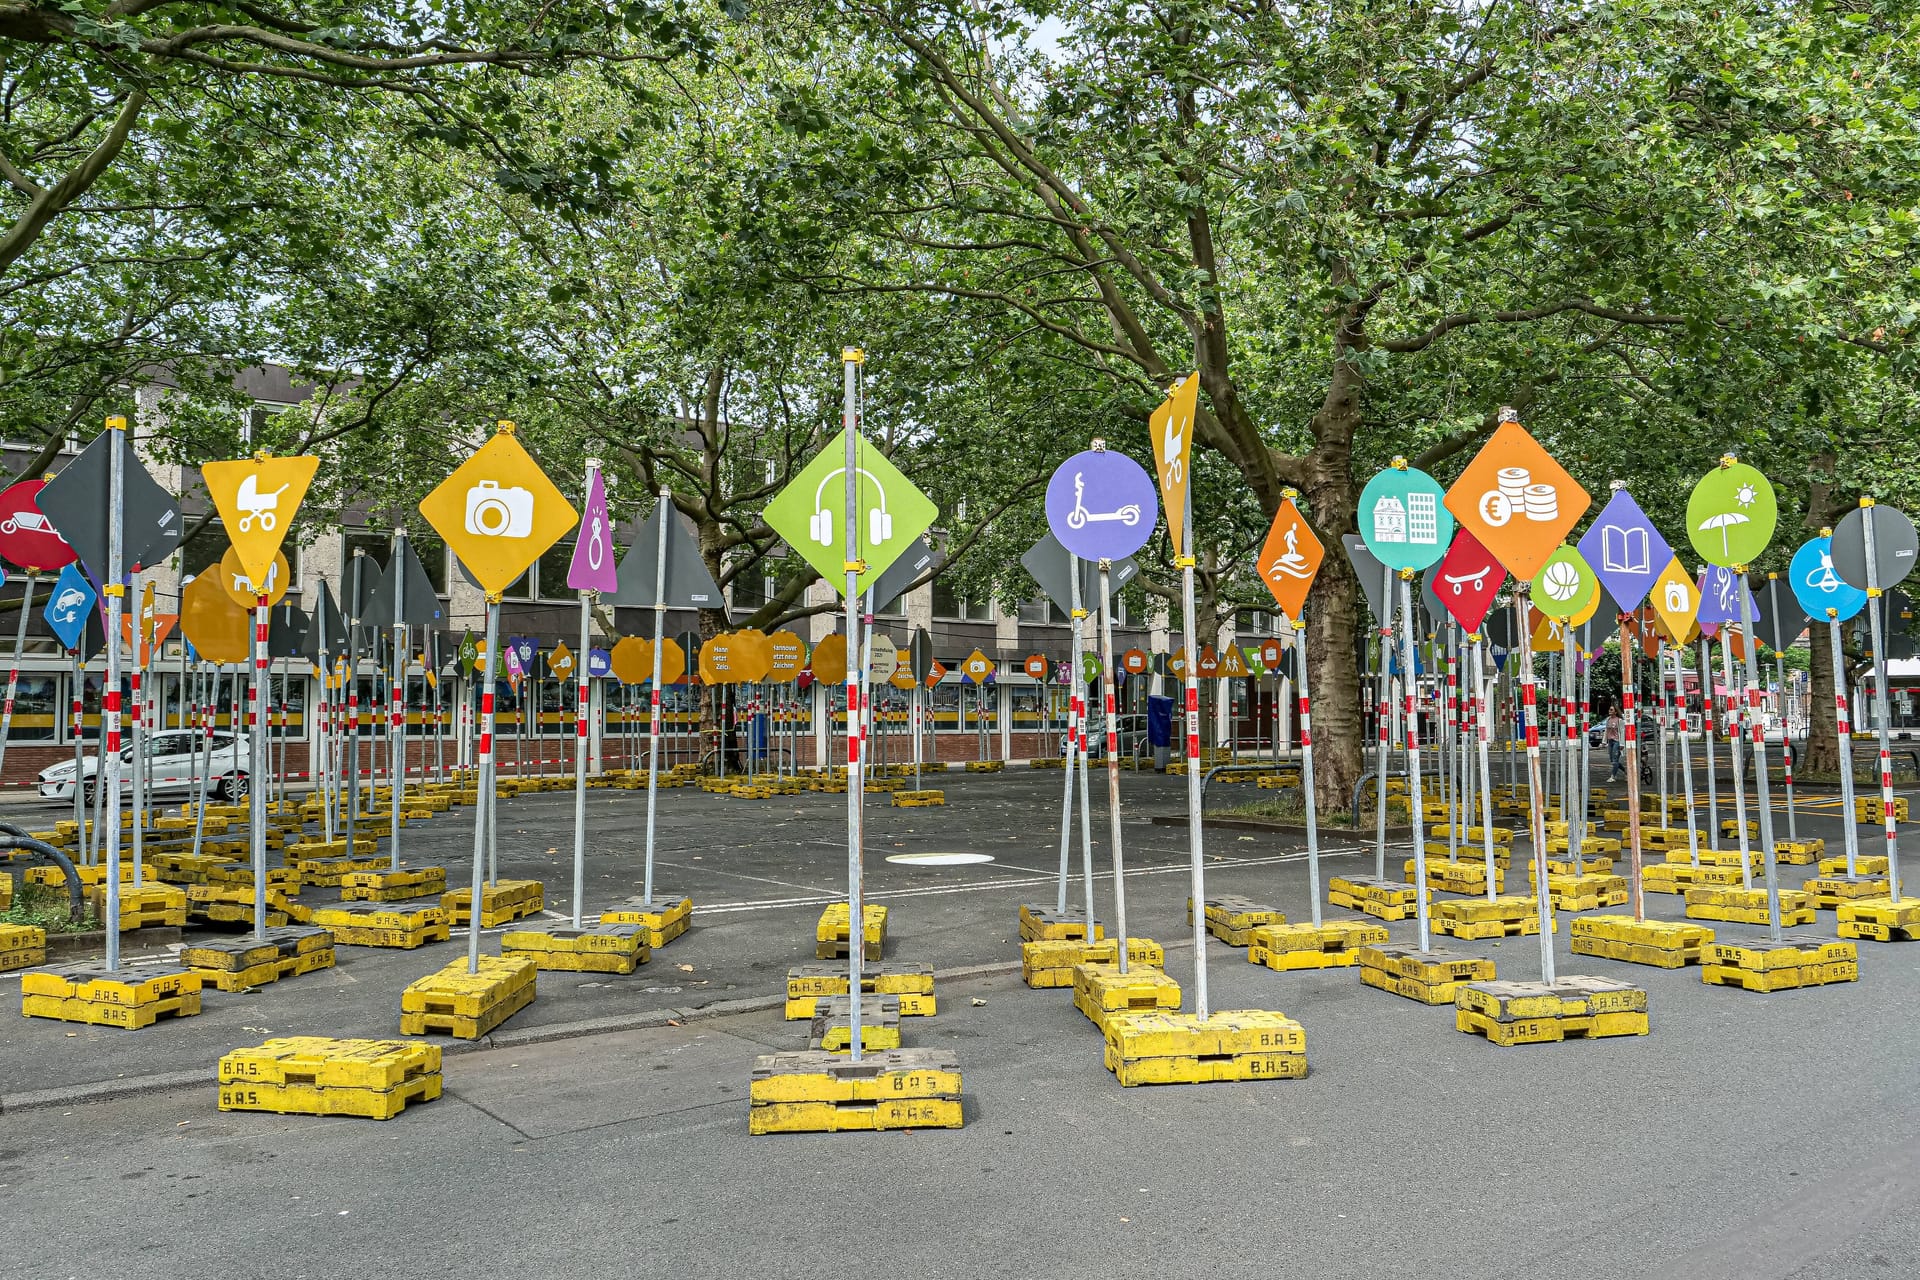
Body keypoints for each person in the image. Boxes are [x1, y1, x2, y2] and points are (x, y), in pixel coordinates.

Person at [1603, 707, 1626, 781]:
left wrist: (1622, 744)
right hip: (1610, 741)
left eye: (1611, 710)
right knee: (1612, 760)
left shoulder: (1620, 721)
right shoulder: (1608, 719)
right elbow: (1606, 731)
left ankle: (1613, 776)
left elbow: (1622, 732)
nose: (1609, 711)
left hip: (1617, 741)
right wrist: (1604, 741)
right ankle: (1626, 771)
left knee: (1615, 760)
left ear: (1616, 712)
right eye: (1609, 709)